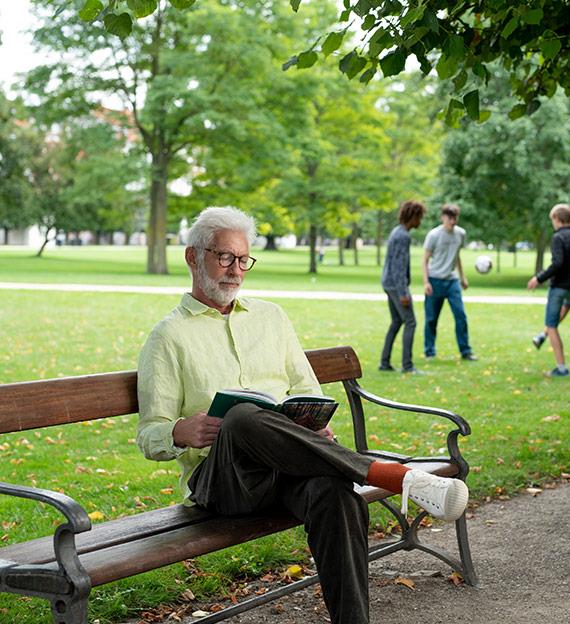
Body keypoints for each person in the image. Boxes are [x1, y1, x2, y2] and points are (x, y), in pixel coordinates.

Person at [137, 206, 469, 624]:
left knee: (336, 496)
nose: (235, 270)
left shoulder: (271, 317)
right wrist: (181, 431)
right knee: (240, 417)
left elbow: (308, 389)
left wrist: (314, 420)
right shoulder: (168, 337)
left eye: (243, 260)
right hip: (224, 481)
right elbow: (149, 434)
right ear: (192, 256)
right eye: (224, 257)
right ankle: (393, 476)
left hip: (288, 466)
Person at [422, 203, 477, 361]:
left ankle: (465, 351)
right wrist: (426, 282)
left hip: (452, 281)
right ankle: (429, 351)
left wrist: (462, 277)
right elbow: (425, 260)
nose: (453, 221)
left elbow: (456, 255)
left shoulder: (460, 234)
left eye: (455, 218)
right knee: (431, 318)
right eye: (449, 218)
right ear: (443, 217)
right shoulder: (434, 235)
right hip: (435, 280)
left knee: (461, 316)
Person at [379, 200, 426, 374]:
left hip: (388, 283)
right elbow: (398, 267)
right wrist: (403, 293)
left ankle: (384, 362)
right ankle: (407, 366)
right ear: (412, 216)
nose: (420, 221)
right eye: (419, 217)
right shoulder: (403, 236)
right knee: (411, 322)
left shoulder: (396, 232)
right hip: (395, 286)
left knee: (397, 321)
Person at [527, 203, 570, 378]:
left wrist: (539, 278)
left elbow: (558, 263)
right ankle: (541, 336)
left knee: (551, 325)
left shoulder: (558, 237)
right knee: (565, 308)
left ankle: (561, 368)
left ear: (557, 219)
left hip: (559, 286)